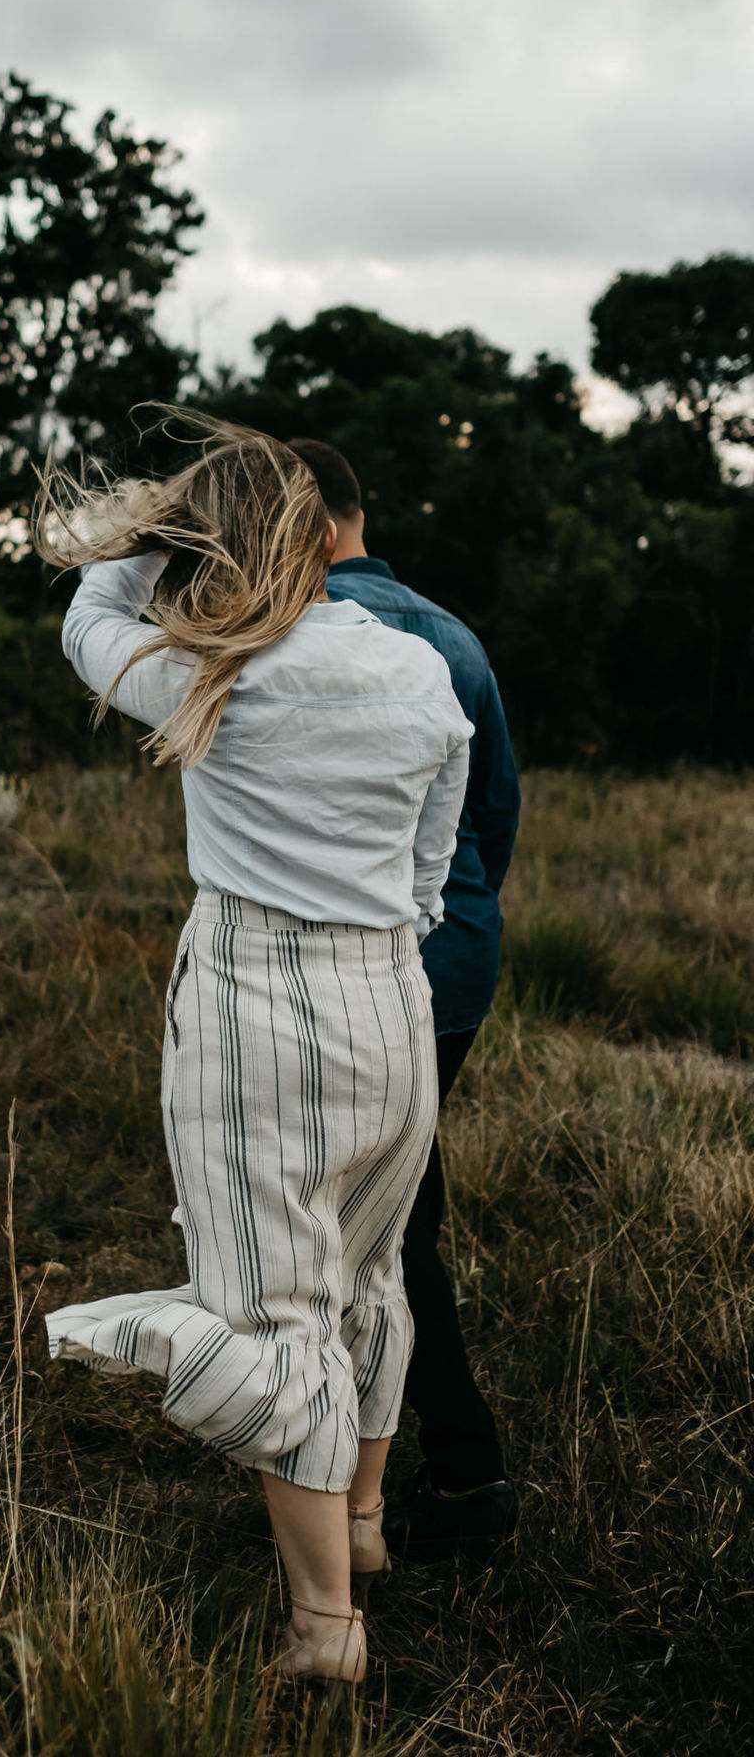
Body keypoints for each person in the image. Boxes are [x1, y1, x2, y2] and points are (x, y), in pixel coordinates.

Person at [34, 413, 474, 1683]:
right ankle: (366, 1528)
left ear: (209, 544)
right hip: (393, 1003)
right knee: (372, 1279)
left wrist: (150, 524)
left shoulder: (210, 671)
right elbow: (433, 874)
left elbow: (83, 616)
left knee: (277, 1310)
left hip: (255, 1010)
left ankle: (324, 1629)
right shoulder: (419, 672)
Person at [289, 436, 521, 1561]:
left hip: (351, 963)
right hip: (459, 955)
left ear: (302, 524)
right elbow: (495, 818)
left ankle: (460, 1479)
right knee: (392, 1208)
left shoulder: (288, 635)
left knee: (378, 1224)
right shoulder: (456, 637)